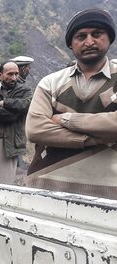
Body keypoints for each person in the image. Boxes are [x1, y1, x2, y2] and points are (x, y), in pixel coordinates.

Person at [26, 8, 117, 198]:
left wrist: (67, 119)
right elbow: (35, 129)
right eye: (81, 36)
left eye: (97, 34)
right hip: (48, 184)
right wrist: (92, 139)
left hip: (109, 191)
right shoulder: (51, 83)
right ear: (71, 44)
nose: (89, 41)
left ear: (109, 37)